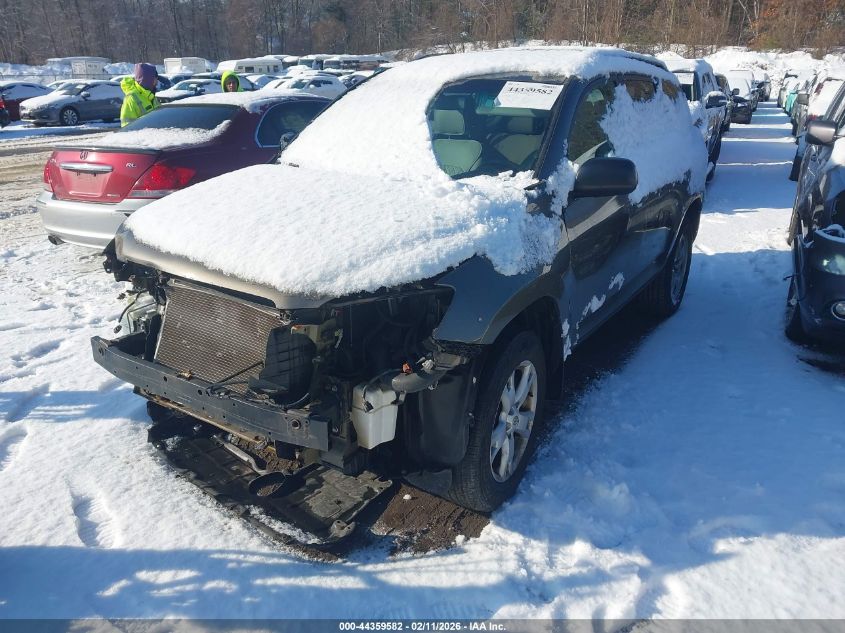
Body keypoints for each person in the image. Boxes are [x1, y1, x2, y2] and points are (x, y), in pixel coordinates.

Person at [120, 63, 160, 127]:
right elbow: (127, 126)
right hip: (141, 136)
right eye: (155, 79)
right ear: (148, 79)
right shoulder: (131, 98)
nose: (157, 82)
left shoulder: (151, 96)